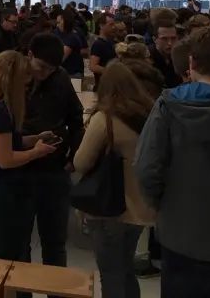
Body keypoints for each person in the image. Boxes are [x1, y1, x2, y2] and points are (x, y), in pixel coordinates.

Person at [135, 26, 210, 298]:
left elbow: (146, 168)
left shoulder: (168, 106)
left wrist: (164, 206)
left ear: (191, 62)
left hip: (181, 235)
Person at [0, 50, 56, 294]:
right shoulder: (0, 111)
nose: (27, 85)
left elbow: (7, 142)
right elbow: (6, 159)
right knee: (7, 261)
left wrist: (34, 140)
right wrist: (37, 152)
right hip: (3, 191)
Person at [74, 62, 156, 298]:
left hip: (109, 206)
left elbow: (81, 161)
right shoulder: (151, 115)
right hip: (142, 207)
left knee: (110, 272)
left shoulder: (105, 119)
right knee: (126, 268)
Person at [20, 32, 86, 267]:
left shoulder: (60, 78)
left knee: (55, 244)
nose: (45, 73)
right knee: (19, 245)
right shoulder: (12, 78)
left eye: (51, 69)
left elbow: (76, 118)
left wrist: (73, 157)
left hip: (54, 169)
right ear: (29, 55)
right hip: (20, 168)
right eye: (41, 67)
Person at [148, 11, 182, 89]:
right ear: (154, 39)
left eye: (173, 38)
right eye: (164, 39)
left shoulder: (179, 57)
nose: (169, 43)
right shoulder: (148, 59)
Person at [91, 16, 122, 88]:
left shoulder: (111, 42)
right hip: (103, 86)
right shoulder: (98, 44)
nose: (114, 27)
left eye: (114, 24)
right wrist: (112, 71)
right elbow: (93, 66)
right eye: (111, 25)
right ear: (101, 25)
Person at [54, 7, 85, 78]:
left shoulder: (72, 37)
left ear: (66, 22)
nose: (57, 25)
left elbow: (61, 58)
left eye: (59, 23)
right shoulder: (59, 33)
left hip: (72, 74)